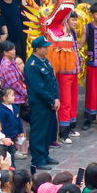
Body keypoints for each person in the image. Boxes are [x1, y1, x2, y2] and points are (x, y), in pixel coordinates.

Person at [23, 36, 60, 167]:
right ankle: (38, 160)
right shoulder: (32, 65)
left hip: (49, 103)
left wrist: (56, 98)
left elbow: (53, 80)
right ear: (37, 49)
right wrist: (51, 100)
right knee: (39, 131)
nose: (47, 49)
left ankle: (44, 155)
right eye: (45, 47)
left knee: (47, 130)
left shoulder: (43, 61)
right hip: (40, 104)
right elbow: (39, 88)